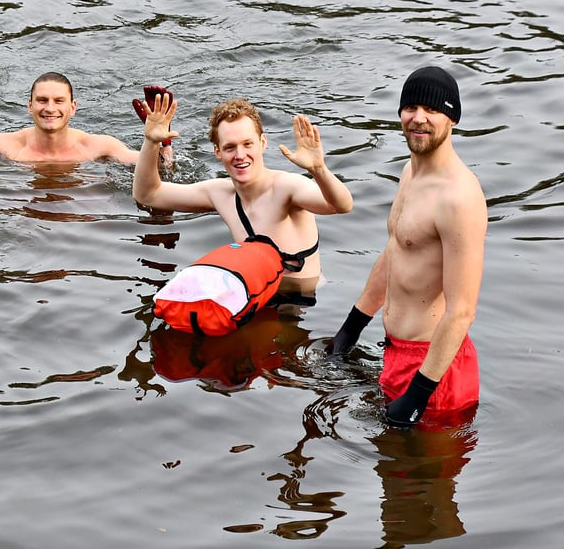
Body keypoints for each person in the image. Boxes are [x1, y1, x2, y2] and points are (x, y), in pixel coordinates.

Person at [330, 65, 486, 430]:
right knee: (393, 483)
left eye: (433, 110)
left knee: (422, 484)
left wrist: (418, 394)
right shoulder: (409, 173)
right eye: (411, 107)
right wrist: (350, 330)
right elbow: (396, 253)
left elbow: (462, 310)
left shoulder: (458, 197)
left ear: (453, 119)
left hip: (436, 374)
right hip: (397, 355)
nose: (419, 118)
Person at [133, 93, 354, 295]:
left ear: (263, 143)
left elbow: (341, 206)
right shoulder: (220, 194)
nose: (240, 155)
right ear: (218, 152)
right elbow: (148, 195)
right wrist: (151, 142)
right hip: (255, 298)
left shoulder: (288, 188)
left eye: (248, 144)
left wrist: (318, 170)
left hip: (304, 304)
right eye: (230, 147)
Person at [0, 72, 174, 165]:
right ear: (30, 106)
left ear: (73, 107)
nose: (50, 108)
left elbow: (160, 169)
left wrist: (160, 139)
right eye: (42, 100)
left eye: (59, 101)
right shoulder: (5, 146)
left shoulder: (99, 147)